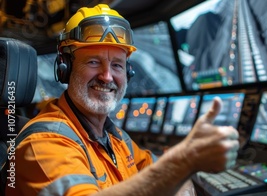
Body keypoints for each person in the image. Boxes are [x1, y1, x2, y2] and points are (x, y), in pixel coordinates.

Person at [5, 4, 239, 195]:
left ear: (128, 73)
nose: (107, 77)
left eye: (117, 65)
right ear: (65, 68)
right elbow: (168, 174)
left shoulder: (115, 138)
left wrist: (178, 173)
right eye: (93, 62)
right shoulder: (43, 142)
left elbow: (162, 174)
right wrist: (185, 162)